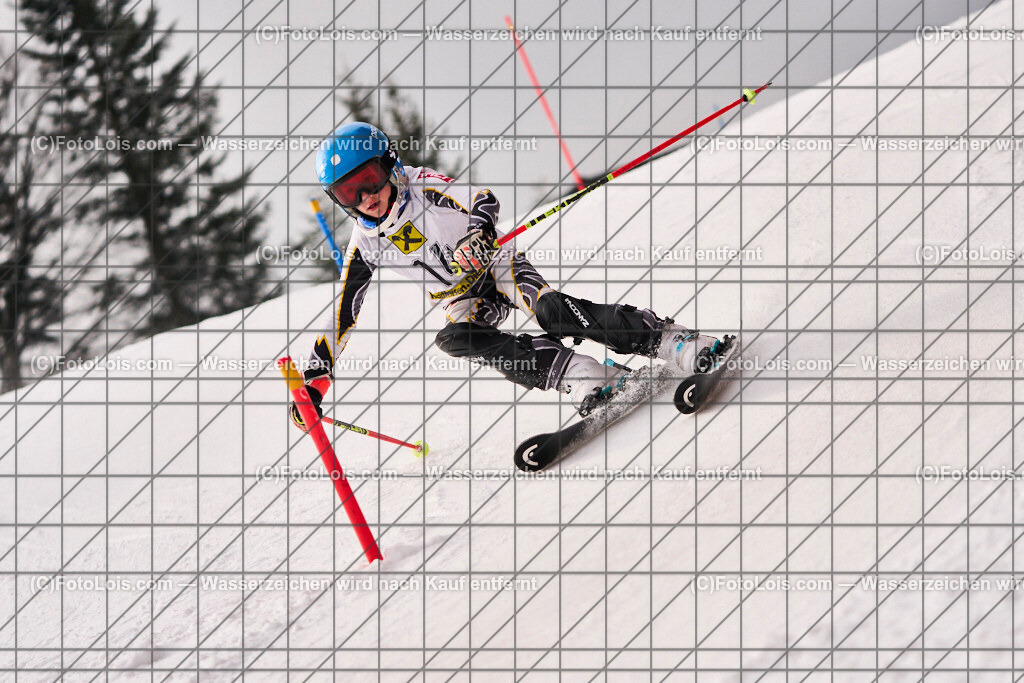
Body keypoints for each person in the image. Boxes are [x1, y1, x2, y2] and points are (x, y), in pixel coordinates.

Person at [290, 122, 718, 430]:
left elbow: (482, 197)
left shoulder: (421, 186)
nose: (366, 198)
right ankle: (586, 375)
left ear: (389, 164)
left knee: (552, 313)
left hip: (496, 264)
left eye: (369, 180)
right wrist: (316, 378)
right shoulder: (365, 243)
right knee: (456, 337)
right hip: (462, 295)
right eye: (349, 193)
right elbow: (343, 313)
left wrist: (478, 232)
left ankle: (670, 339)